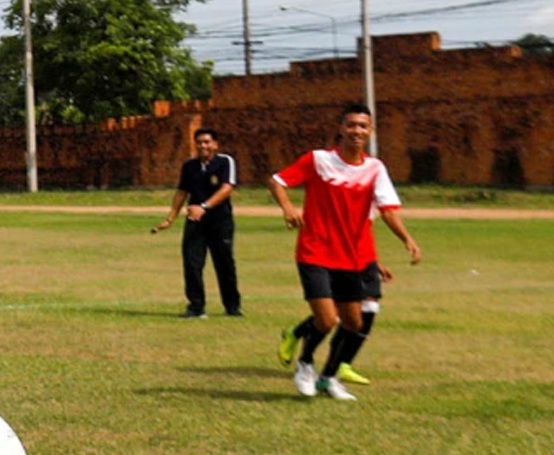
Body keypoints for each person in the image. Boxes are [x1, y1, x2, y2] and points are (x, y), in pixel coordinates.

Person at [269, 101, 422, 400]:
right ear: (340, 128)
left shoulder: (375, 168)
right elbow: (277, 181)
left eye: (363, 126)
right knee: (326, 320)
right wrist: (287, 207)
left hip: (351, 258)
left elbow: (388, 211)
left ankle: (329, 377)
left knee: (354, 323)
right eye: (351, 125)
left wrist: (407, 240)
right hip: (314, 252)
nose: (356, 130)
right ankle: (305, 364)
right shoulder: (319, 160)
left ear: (371, 131)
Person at [151, 127, 241, 317]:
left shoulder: (225, 162)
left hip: (219, 220)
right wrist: (170, 218)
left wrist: (204, 207)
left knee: (224, 263)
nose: (203, 146)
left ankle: (232, 307)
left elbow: (226, 189)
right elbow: (182, 192)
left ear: (215, 144)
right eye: (199, 142)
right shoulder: (189, 166)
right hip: (195, 221)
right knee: (192, 263)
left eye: (207, 142)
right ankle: (196, 307)